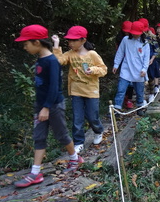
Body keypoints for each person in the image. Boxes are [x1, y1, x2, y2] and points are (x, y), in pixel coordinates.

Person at [13, 25, 83, 188]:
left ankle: (74, 158)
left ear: (37, 42)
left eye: (26, 44)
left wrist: (46, 107)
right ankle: (35, 172)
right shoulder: (40, 59)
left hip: (53, 105)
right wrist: (40, 106)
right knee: (39, 136)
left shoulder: (52, 61)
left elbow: (54, 87)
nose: (24, 47)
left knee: (61, 134)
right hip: (41, 106)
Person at [52, 26, 107, 154]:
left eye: (74, 40)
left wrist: (92, 70)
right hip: (76, 91)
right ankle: (78, 142)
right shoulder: (70, 54)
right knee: (77, 118)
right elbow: (59, 61)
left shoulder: (92, 54)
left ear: (83, 40)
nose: (70, 43)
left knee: (92, 116)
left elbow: (103, 69)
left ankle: (98, 131)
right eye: (69, 40)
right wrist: (56, 45)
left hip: (91, 90)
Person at [113, 21, 150, 116]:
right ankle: (117, 109)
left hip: (139, 71)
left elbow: (146, 58)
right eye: (133, 33)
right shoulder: (125, 40)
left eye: (137, 33)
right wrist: (116, 65)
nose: (135, 35)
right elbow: (120, 52)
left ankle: (139, 107)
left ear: (142, 33)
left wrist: (144, 69)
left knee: (139, 91)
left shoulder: (145, 43)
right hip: (126, 69)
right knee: (121, 89)